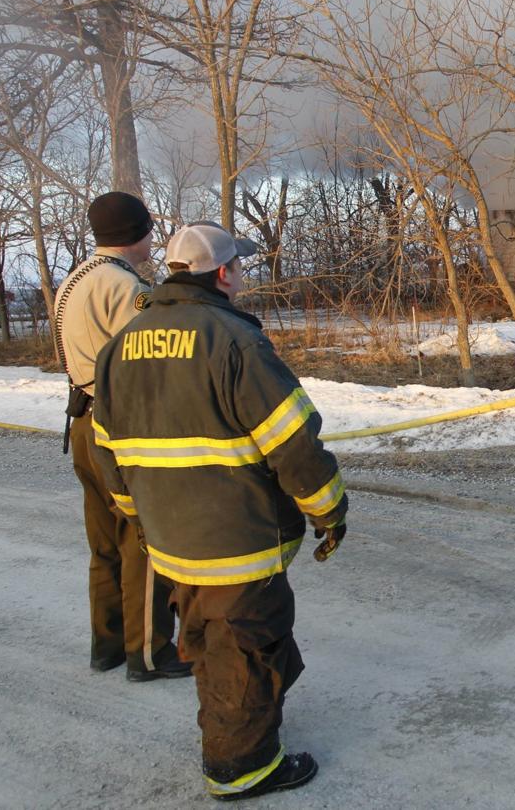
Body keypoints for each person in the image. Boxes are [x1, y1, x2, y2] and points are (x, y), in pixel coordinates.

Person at [91, 222, 348, 801]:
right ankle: (241, 767)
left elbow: (108, 454)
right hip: (238, 538)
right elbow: (294, 444)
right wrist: (329, 512)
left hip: (170, 539)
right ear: (224, 273)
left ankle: (238, 731)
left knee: (210, 640)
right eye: (240, 266)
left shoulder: (120, 346)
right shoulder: (234, 341)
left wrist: (142, 517)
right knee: (245, 650)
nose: (242, 274)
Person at [54, 191, 188, 682]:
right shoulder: (124, 286)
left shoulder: (76, 277)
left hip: (84, 422)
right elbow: (149, 358)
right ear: (139, 232)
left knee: (104, 543)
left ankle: (107, 644)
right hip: (119, 425)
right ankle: (149, 652)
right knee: (144, 538)